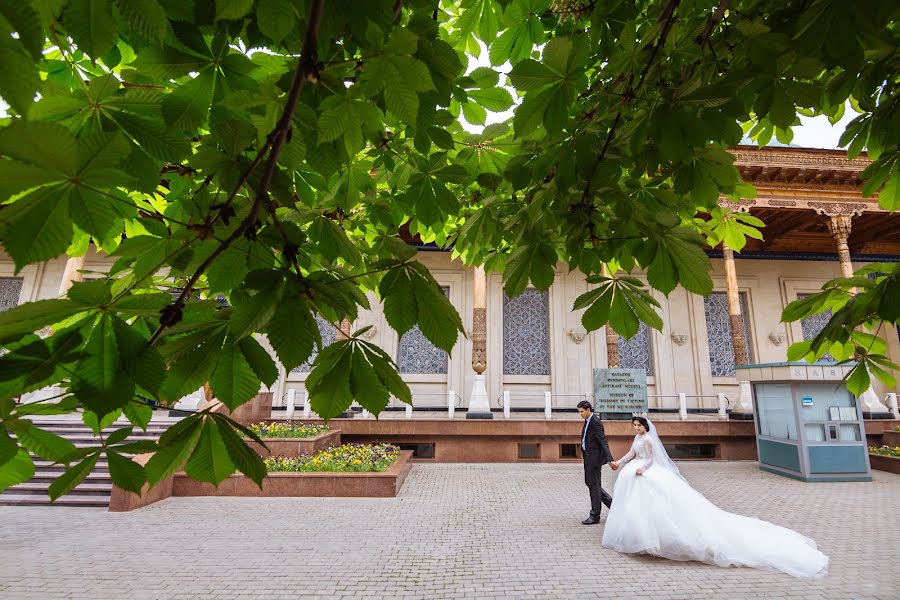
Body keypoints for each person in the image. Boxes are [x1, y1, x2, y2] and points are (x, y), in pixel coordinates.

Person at [602, 416, 829, 578]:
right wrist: (618, 463)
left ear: (645, 427)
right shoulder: (636, 439)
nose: (637, 428)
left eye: (639, 425)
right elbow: (632, 454)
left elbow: (651, 459)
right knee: (637, 508)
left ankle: (657, 540)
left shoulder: (650, 440)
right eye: (634, 425)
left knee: (659, 506)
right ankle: (639, 539)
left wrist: (644, 469)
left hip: (647, 473)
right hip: (634, 472)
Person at [576, 400, 613, 525]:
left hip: (594, 459)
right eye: (579, 412)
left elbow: (602, 441)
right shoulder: (587, 421)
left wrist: (609, 459)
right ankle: (613, 506)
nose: (580, 414)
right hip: (588, 457)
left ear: (588, 410)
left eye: (582, 411)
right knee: (591, 483)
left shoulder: (595, 422)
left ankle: (594, 515)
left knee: (594, 486)